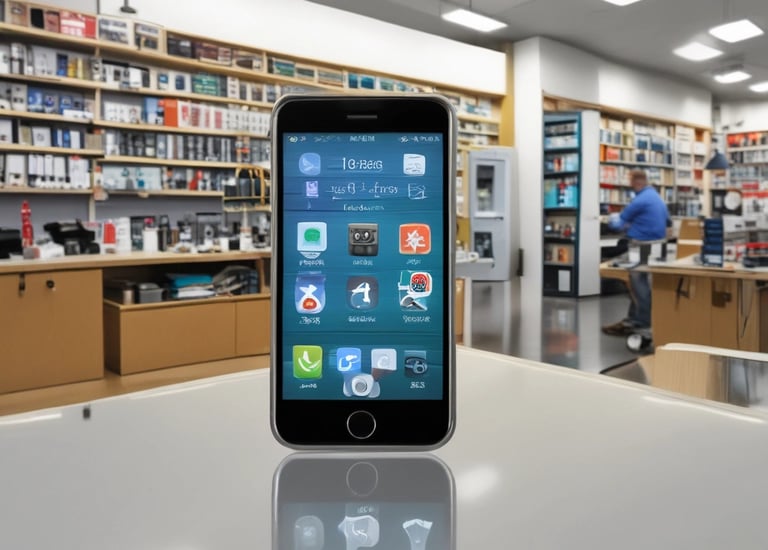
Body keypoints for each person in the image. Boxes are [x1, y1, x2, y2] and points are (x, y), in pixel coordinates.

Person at [602, 169, 669, 336]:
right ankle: (633, 319)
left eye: (630, 181)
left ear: (637, 182)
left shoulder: (640, 200)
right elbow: (667, 221)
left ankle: (641, 322)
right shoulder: (657, 198)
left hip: (641, 247)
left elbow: (617, 225)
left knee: (638, 285)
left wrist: (610, 218)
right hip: (657, 246)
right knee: (643, 285)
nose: (629, 185)